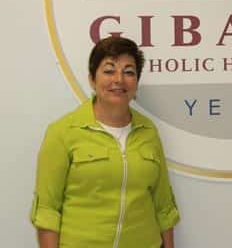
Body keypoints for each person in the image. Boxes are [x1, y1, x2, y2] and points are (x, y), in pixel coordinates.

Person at [31, 36, 180, 248]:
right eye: (109, 70)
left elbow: (164, 206)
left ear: (136, 82)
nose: (119, 79)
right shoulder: (63, 132)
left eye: (129, 72)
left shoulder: (148, 131)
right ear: (92, 79)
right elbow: (47, 210)